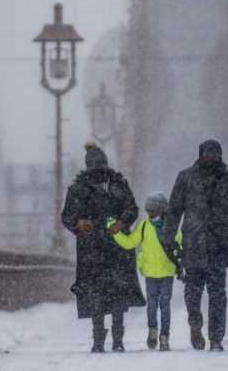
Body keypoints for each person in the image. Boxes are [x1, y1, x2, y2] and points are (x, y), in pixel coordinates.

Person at [161, 139, 228, 352]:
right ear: (200, 155)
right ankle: (195, 323)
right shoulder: (185, 178)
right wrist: (168, 239)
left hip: (218, 244)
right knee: (194, 291)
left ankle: (216, 338)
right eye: (207, 153)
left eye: (214, 153)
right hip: (194, 243)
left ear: (220, 155)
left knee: (217, 293)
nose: (210, 157)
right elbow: (174, 210)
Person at [61, 142, 146, 353]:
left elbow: (132, 209)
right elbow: (67, 216)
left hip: (113, 247)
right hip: (94, 249)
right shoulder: (78, 189)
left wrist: (122, 222)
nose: (98, 168)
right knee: (99, 294)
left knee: (112, 293)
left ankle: (115, 339)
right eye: (95, 164)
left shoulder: (119, 184)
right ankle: (100, 339)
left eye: (101, 164)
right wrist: (78, 223)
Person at [110, 191, 183, 352]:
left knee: (164, 306)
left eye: (153, 209)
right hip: (150, 273)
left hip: (167, 272)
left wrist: (181, 262)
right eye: (149, 209)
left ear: (162, 209)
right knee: (151, 306)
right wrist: (114, 231)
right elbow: (130, 243)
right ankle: (153, 331)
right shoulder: (143, 225)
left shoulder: (171, 225)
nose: (150, 213)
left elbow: (179, 245)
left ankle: (164, 336)